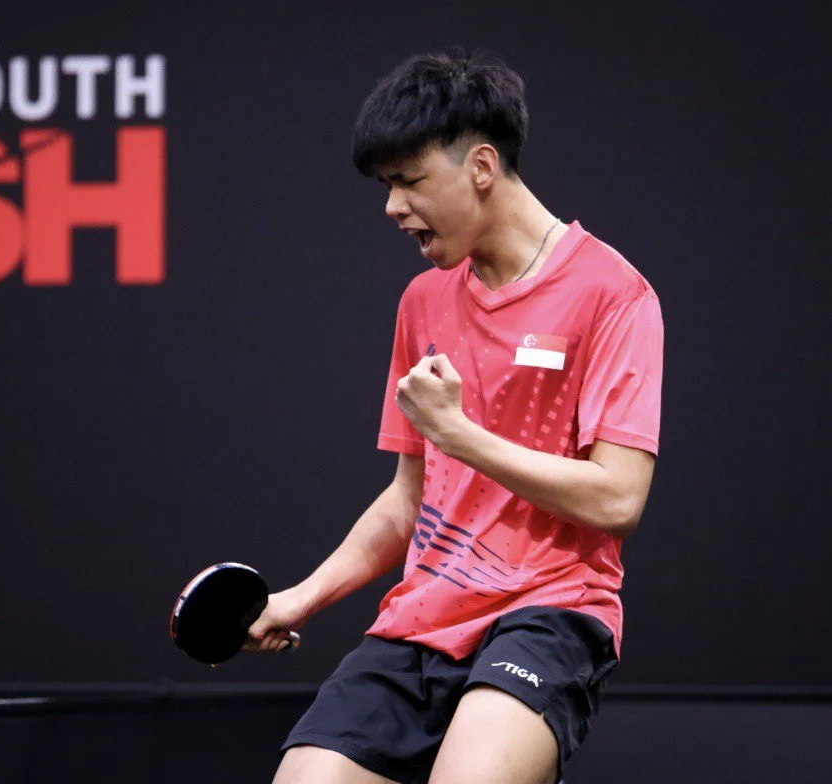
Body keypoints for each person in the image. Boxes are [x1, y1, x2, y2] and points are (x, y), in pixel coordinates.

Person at [244, 48, 664, 784]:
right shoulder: (423, 301)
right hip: (423, 616)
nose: (391, 207)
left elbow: (617, 499)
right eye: (384, 185)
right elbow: (411, 497)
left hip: (549, 612)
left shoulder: (614, 294)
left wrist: (459, 434)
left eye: (408, 181)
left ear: (479, 166)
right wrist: (299, 599)